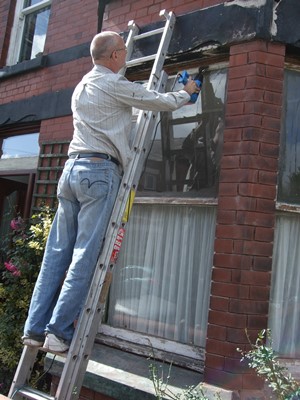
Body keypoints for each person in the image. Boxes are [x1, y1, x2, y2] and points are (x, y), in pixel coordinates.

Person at [22, 31, 200, 352]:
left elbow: (120, 115)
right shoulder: (113, 83)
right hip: (99, 173)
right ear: (115, 56)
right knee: (85, 255)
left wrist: (144, 97)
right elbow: (156, 102)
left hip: (72, 171)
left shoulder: (82, 87)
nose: (127, 56)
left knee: (56, 254)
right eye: (124, 50)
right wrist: (184, 93)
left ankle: (34, 329)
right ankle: (59, 332)